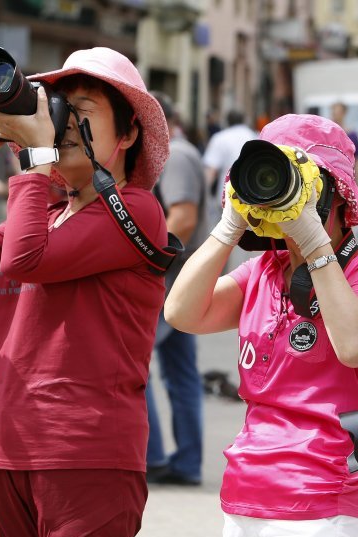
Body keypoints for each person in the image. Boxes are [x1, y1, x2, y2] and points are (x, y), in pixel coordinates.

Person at [0, 47, 170, 537]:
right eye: (54, 108)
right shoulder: (47, 210)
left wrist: (35, 159)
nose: (59, 123)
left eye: (79, 112)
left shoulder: (136, 211)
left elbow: (23, 261)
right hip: (9, 445)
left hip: (87, 452)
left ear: (128, 134)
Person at [165, 114, 358, 537]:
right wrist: (227, 227)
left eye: (296, 185)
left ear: (332, 194)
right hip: (245, 495)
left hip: (323, 503)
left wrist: (315, 244)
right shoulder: (262, 272)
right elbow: (181, 313)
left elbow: (354, 345)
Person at [145, 91, 207, 486]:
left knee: (135, 365)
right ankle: (184, 462)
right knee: (180, 373)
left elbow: (182, 219)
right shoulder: (178, 152)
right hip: (178, 278)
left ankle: (152, 457)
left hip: (170, 278)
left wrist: (138, 256)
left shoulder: (177, 154)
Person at [202, 109, 257, 228]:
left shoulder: (220, 138)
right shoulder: (255, 136)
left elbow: (211, 171)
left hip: (227, 196)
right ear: (244, 120)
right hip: (254, 197)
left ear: (227, 121)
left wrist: (203, 197)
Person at [330, 101, 358, 180]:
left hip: (347, 173)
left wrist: (356, 177)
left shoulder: (352, 135)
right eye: (333, 112)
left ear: (344, 113)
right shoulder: (329, 133)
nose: (335, 115)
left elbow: (357, 157)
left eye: (338, 112)